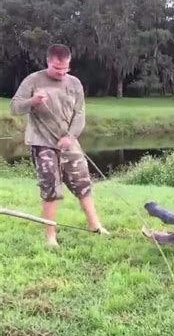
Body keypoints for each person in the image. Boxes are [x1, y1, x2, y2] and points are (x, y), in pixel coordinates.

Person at [10, 43, 109, 246]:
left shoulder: (75, 84)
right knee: (50, 189)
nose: (62, 72)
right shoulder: (33, 80)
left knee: (83, 184)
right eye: (57, 68)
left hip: (68, 142)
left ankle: (95, 225)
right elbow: (14, 107)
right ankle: (51, 236)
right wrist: (32, 102)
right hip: (42, 142)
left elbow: (80, 114)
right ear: (48, 62)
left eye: (65, 68)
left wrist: (70, 137)